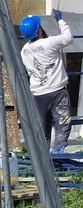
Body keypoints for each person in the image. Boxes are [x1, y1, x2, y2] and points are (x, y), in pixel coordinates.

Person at [19, 10, 74, 150]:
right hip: (57, 93)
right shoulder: (50, 43)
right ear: (39, 31)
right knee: (62, 126)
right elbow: (68, 38)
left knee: (43, 131)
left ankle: (43, 163)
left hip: (38, 95)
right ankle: (59, 155)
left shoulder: (24, 51)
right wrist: (60, 21)